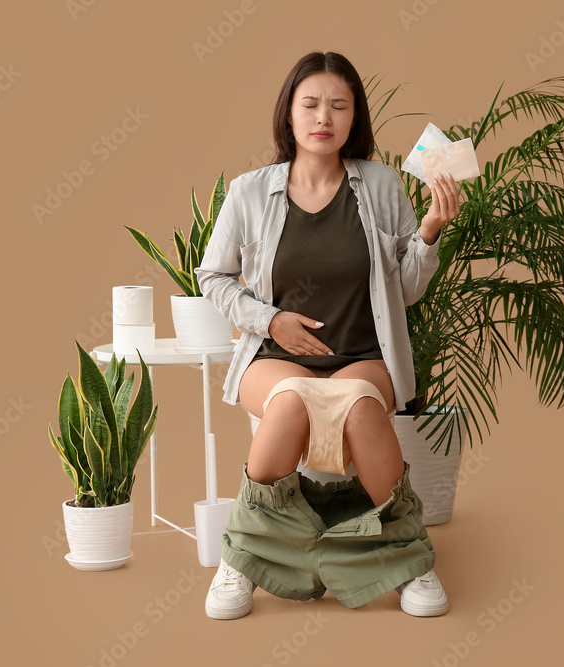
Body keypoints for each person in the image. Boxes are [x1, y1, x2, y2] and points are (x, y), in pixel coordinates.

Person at [195, 50, 460, 620]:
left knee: (362, 405)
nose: (324, 116)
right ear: (288, 116)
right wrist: (271, 321)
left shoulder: (382, 184)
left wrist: (432, 231)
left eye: (339, 105)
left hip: (361, 356)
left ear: (354, 118)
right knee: (290, 403)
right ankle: (240, 557)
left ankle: (411, 560)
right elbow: (211, 277)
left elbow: (407, 288)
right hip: (273, 357)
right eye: (310, 104)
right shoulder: (248, 191)